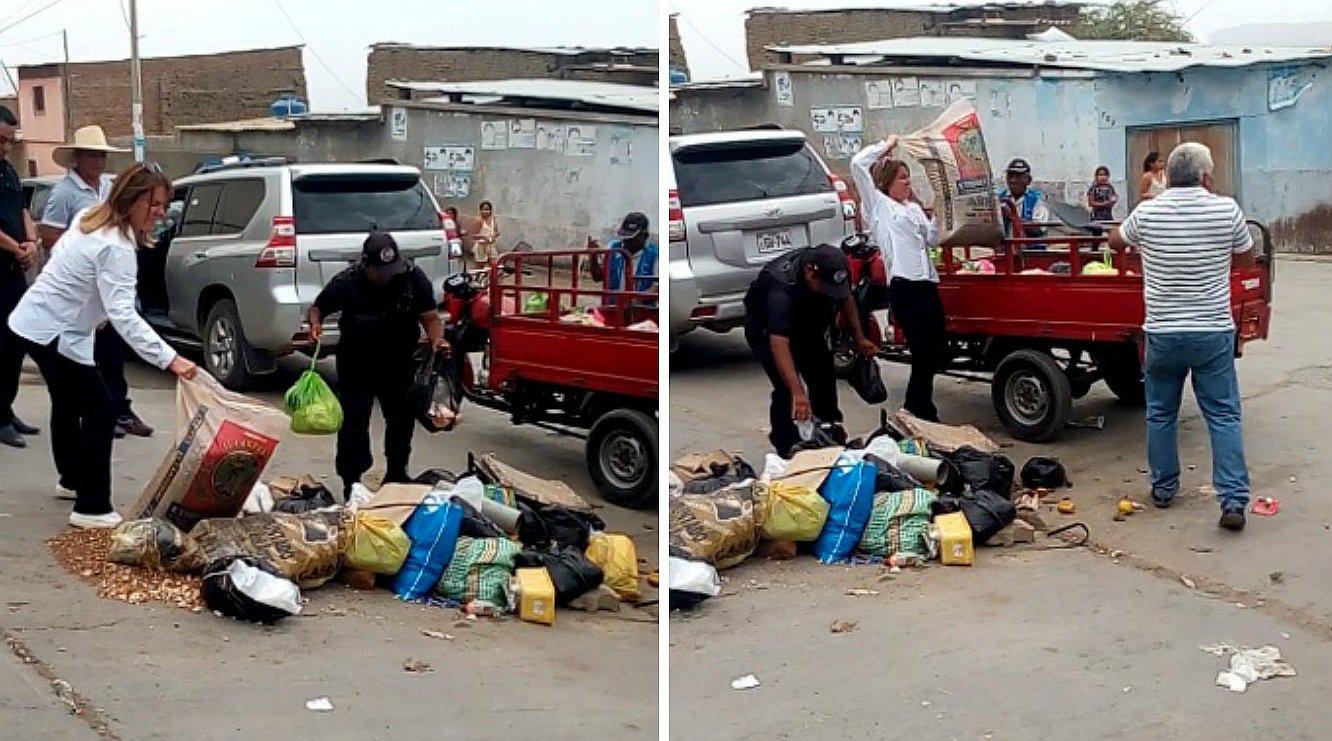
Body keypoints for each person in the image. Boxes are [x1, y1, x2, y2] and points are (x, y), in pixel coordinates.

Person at [8, 162, 197, 529]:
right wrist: (171, 360)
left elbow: (70, 266)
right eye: (153, 204)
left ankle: (72, 481)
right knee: (101, 407)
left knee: (68, 400)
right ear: (130, 200)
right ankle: (92, 506)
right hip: (53, 329)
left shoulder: (91, 217)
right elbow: (125, 316)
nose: (160, 213)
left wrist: (92, 309)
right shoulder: (116, 247)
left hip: (44, 322)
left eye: (164, 205)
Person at [1110, 142, 1255, 532]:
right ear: (1206, 176)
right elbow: (1245, 258)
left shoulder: (1148, 212)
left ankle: (1163, 488)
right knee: (1223, 416)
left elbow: (1115, 242)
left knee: (1160, 414)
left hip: (1163, 332)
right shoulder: (1226, 209)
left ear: (1167, 177)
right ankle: (1234, 501)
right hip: (1211, 331)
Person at [306, 231, 448, 500]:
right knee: (354, 422)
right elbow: (318, 308)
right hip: (356, 362)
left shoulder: (411, 278)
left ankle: (396, 473)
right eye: (380, 271)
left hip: (398, 360)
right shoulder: (347, 281)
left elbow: (430, 316)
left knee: (401, 419)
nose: (387, 275)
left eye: (391, 269)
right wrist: (315, 324)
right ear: (366, 265)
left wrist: (437, 339)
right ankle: (352, 482)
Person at [38, 125, 152, 440]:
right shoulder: (64, 193)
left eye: (101, 155)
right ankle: (99, 414)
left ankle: (119, 409)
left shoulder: (108, 188)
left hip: (109, 284)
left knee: (113, 356)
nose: (97, 161)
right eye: (91, 155)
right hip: (84, 289)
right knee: (89, 359)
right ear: (77, 158)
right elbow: (49, 237)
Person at [743, 244, 877, 458]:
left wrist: (859, 337)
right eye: (825, 287)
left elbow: (846, 299)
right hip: (767, 331)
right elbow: (779, 343)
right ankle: (786, 447)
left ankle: (829, 431)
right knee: (787, 389)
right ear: (809, 272)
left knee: (823, 375)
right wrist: (798, 392)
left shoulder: (830, 269)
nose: (829, 293)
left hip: (808, 325)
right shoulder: (781, 288)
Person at [851, 138, 945, 422]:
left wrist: (938, 214)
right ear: (888, 182)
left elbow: (932, 239)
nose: (908, 182)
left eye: (909, 177)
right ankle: (919, 407)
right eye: (902, 178)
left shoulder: (913, 209)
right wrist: (885, 145)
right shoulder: (879, 207)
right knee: (922, 349)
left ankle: (919, 404)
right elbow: (858, 165)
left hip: (927, 282)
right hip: (905, 285)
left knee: (936, 347)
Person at [0, 105, 41, 449]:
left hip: (15, 272)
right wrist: (16, 248)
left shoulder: (9, 172)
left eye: (10, 141)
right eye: (0, 140)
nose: (5, 147)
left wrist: (30, 243)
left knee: (16, 344)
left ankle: (7, 408)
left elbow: (23, 209)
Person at [996, 158, 1051, 238]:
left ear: (1028, 180)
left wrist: (1012, 216)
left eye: (1018, 176)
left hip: (1031, 249)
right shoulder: (1000, 198)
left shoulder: (1037, 199)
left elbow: (1039, 229)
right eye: (1010, 176)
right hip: (1006, 247)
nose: (1012, 180)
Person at [469, 201, 499, 269]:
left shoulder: (493, 220)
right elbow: (473, 235)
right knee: (480, 267)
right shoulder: (478, 220)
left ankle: (492, 278)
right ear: (480, 210)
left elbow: (497, 232)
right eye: (484, 209)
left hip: (490, 245)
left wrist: (494, 237)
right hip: (480, 246)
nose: (486, 211)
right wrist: (483, 237)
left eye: (487, 209)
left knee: (494, 264)